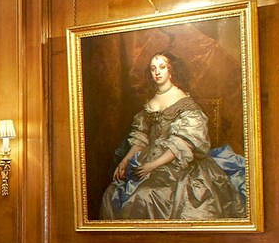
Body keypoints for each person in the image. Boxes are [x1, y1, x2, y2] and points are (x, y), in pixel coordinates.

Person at [98, 51, 242, 221]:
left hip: (177, 164)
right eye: (153, 68)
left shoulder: (185, 104)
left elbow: (183, 144)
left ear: (171, 69)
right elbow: (142, 137)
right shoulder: (150, 102)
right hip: (149, 158)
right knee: (111, 193)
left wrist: (152, 166)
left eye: (162, 67)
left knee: (147, 196)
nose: (157, 72)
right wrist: (126, 160)